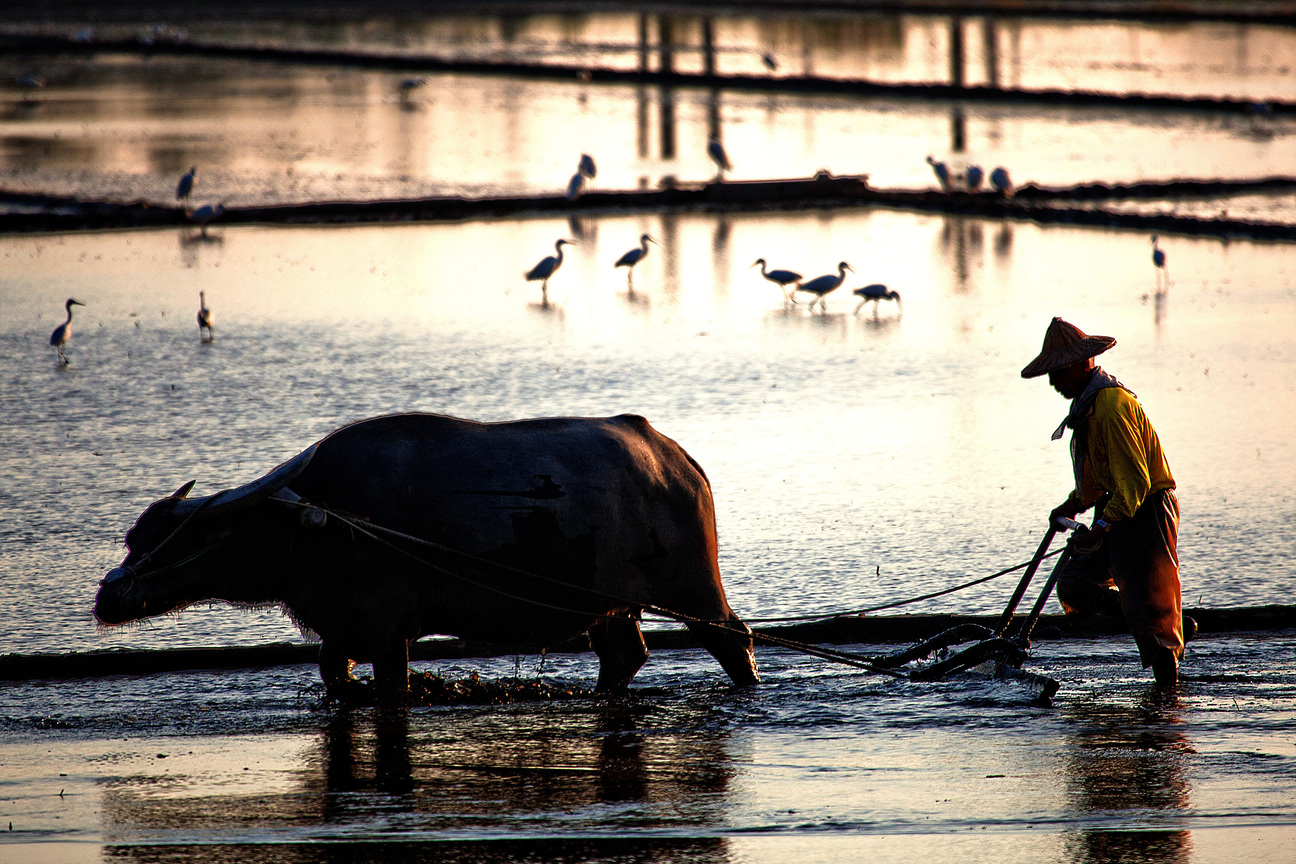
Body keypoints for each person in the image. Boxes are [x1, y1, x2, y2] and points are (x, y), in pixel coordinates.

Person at [1021, 317, 1184, 687]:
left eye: (1059, 372)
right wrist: (1072, 505)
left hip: (1145, 510)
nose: (1053, 382)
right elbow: (1098, 477)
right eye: (1050, 374)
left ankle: (1166, 699)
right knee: (1074, 585)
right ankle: (1161, 624)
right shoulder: (1088, 408)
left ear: (1083, 364)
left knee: (1145, 607)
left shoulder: (1110, 407)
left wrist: (1102, 526)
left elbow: (1135, 483)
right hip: (1116, 507)